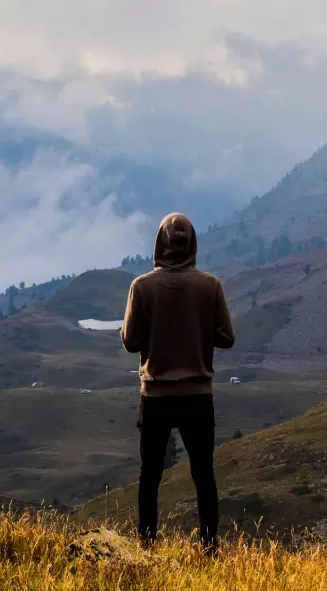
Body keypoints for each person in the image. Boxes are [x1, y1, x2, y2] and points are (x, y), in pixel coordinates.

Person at [120, 212, 236, 550]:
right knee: (204, 475)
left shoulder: (141, 287)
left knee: (150, 476)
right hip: (198, 396)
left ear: (159, 242)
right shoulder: (210, 286)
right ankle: (209, 547)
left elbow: (130, 342)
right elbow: (227, 337)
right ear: (192, 244)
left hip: (155, 395)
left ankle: (147, 545)